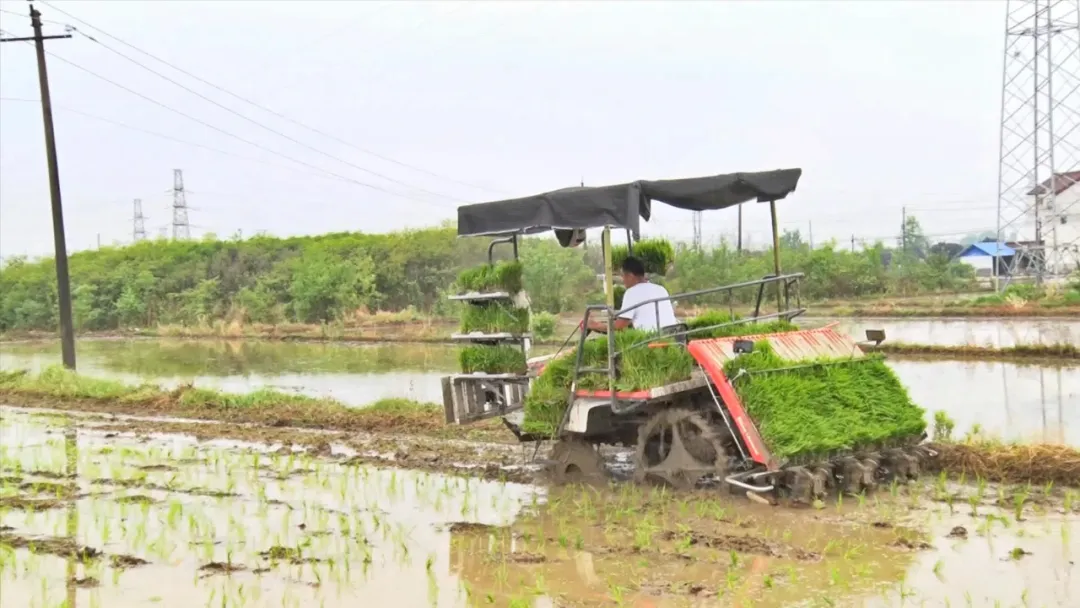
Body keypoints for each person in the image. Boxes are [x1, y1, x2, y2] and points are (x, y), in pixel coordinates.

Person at [585, 256, 678, 333]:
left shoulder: (631, 292)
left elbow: (619, 326)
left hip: (651, 341)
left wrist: (595, 325)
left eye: (623, 276)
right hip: (672, 336)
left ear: (630, 276)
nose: (623, 280)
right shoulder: (661, 289)